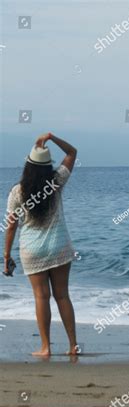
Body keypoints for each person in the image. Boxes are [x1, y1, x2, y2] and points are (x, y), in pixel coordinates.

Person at [3, 133, 79, 356]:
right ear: (48, 167)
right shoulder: (56, 181)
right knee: (62, 295)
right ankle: (73, 345)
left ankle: (46, 348)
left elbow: (11, 226)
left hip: (32, 250)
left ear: (27, 165)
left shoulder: (17, 192)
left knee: (41, 297)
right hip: (59, 246)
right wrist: (51, 138)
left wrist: (6, 256)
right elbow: (72, 152)